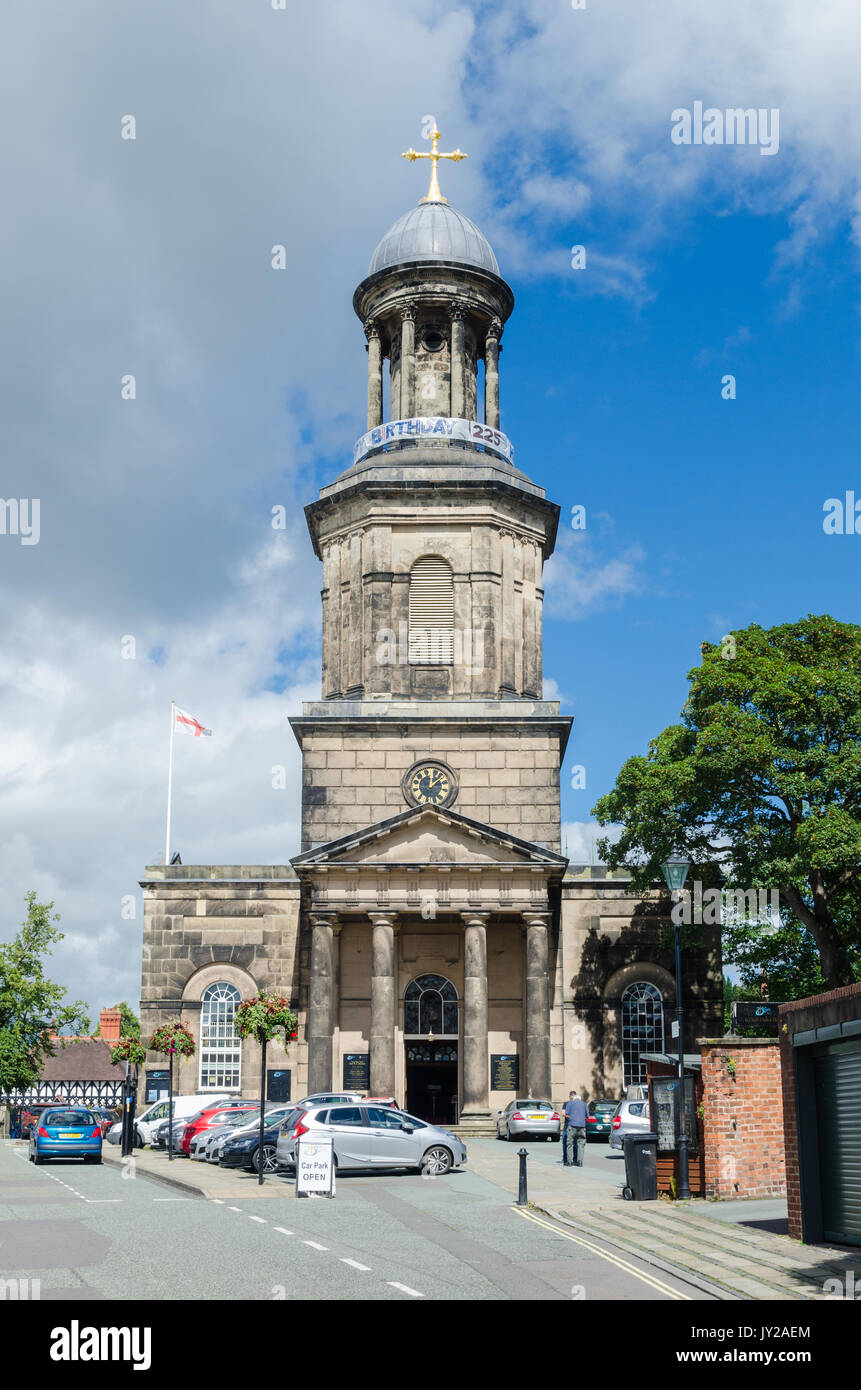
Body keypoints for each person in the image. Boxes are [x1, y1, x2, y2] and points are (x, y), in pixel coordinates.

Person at [563, 1090, 588, 1167]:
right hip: (582, 1126)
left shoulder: (570, 1103)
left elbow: (566, 1114)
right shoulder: (584, 1104)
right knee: (581, 1144)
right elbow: (587, 1117)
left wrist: (573, 1118)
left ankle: (569, 1162)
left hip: (572, 1125)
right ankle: (580, 1162)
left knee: (570, 1143)